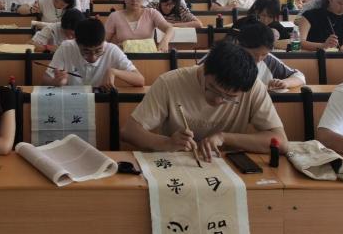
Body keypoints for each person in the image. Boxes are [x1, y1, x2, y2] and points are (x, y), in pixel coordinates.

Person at [120, 41, 288, 160]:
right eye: (212, 89)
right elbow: (129, 132)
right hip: (177, 164)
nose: (218, 100)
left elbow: (280, 142)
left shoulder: (253, 88)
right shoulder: (170, 83)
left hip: (228, 167)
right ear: (204, 68)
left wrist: (224, 138)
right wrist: (167, 143)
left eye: (230, 97)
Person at [44, 18, 144, 89]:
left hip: (101, 104)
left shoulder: (112, 50)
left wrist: (113, 72)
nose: (93, 57)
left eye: (98, 51)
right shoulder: (66, 47)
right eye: (86, 51)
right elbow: (45, 80)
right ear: (76, 43)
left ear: (103, 42)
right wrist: (55, 82)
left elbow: (140, 80)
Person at [105, 0, 175, 52]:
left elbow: (169, 28)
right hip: (121, 57)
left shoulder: (151, 13)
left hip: (147, 57)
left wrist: (165, 41)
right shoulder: (114, 16)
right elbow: (104, 42)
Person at [232, 22, 306, 90]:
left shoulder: (268, 60)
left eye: (264, 54)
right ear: (239, 46)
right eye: (254, 54)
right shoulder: (229, 60)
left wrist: (285, 82)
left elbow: (299, 77)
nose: (258, 59)